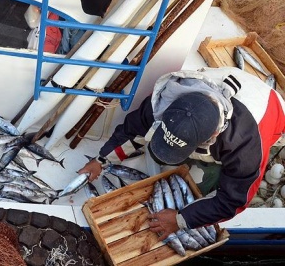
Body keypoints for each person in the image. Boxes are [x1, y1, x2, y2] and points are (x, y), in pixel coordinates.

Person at [78, 67, 285, 240]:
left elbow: (233, 200)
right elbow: (134, 129)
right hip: (225, 86)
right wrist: (102, 159)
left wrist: (181, 219)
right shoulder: (169, 100)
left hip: (268, 113)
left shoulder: (246, 147)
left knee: (207, 184)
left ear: (212, 136)